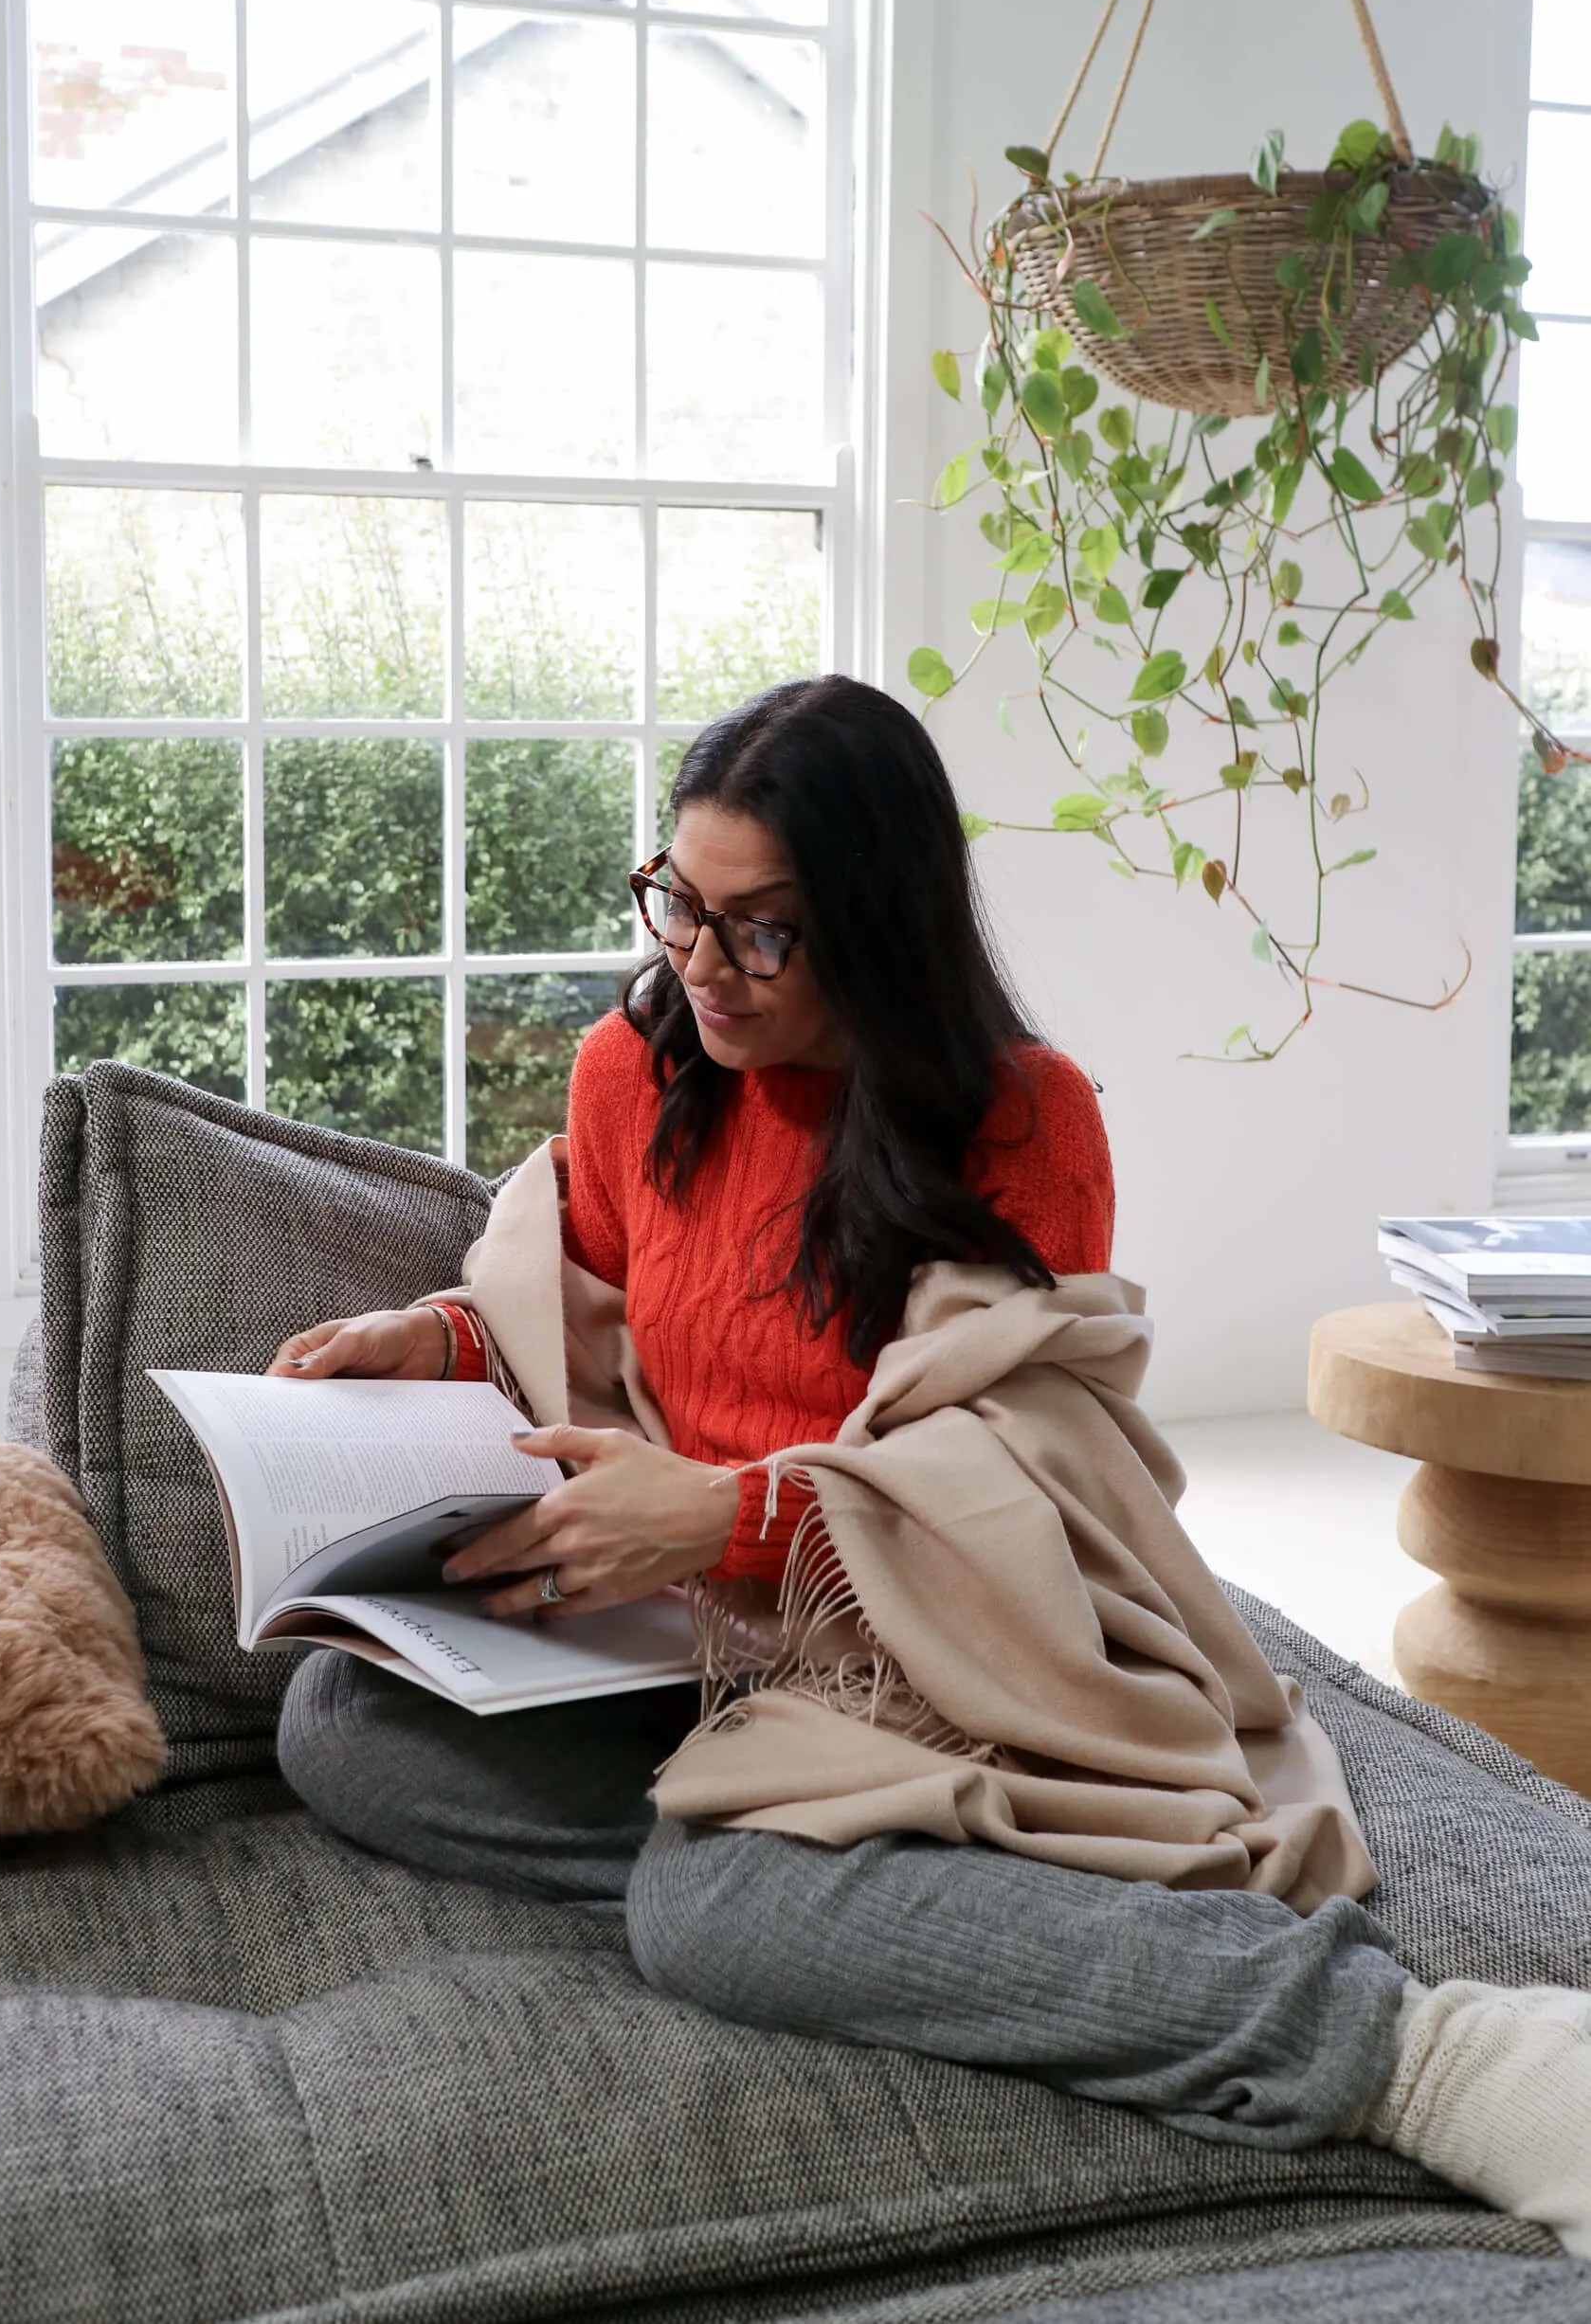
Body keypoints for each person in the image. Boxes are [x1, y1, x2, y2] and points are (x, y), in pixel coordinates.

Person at [273, 675, 1591, 2252]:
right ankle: (842, 1887)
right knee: (339, 1716)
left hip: (930, 1641)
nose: (700, 965)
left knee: (714, 1908)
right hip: (694, 1634)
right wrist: (426, 1338)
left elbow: (1021, 1459)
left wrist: (731, 1512)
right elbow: (593, 1307)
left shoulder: (1020, 1122)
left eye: (762, 930)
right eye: (676, 907)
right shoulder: (634, 1074)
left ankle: (1432, 2060)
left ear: (882, 925)